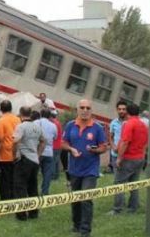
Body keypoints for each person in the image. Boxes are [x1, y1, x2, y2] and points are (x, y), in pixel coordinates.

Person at [61, 99, 107, 237]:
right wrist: (71, 149)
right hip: (74, 169)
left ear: (91, 110)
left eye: (88, 108)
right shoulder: (70, 125)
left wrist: (95, 150)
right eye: (82, 107)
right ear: (78, 109)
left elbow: (104, 147)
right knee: (76, 199)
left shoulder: (97, 128)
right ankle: (76, 225)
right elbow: (63, 143)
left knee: (86, 198)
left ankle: (85, 230)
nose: (85, 110)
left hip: (90, 170)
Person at [108, 103, 148, 215]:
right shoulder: (143, 125)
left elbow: (125, 142)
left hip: (129, 158)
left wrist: (119, 158)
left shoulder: (129, 124)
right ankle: (133, 208)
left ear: (128, 112)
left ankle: (117, 209)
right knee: (134, 184)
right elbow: (145, 143)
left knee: (118, 183)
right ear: (138, 112)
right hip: (140, 158)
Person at [12, 106, 45, 221]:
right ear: (30, 114)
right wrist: (38, 154)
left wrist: (14, 154)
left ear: (20, 114)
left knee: (20, 186)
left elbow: (15, 141)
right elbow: (43, 141)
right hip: (34, 160)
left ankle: (21, 215)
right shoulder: (37, 127)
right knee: (32, 187)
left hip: (23, 159)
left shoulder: (20, 127)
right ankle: (33, 213)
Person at [0, 100, 20, 200]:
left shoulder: (1, 121)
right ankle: (13, 198)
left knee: (4, 181)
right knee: (13, 179)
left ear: (1, 109)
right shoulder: (18, 119)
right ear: (11, 108)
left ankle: (5, 200)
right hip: (16, 154)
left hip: (5, 155)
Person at [35, 109, 57, 195]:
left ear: (41, 114)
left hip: (38, 151)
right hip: (49, 152)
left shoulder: (36, 122)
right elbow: (55, 137)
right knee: (47, 174)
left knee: (34, 172)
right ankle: (45, 191)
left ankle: (33, 190)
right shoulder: (53, 125)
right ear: (49, 116)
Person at [107, 100, 128, 174]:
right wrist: (113, 147)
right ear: (117, 110)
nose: (121, 111)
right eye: (119, 109)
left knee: (125, 178)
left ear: (126, 110)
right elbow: (110, 137)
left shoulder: (129, 122)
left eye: (123, 109)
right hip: (115, 155)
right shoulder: (113, 122)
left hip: (126, 155)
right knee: (117, 177)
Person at [50, 110, 63, 180]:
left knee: (53, 161)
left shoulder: (54, 123)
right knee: (57, 161)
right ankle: (56, 176)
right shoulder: (58, 123)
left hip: (54, 145)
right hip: (59, 145)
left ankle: (53, 176)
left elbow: (54, 135)